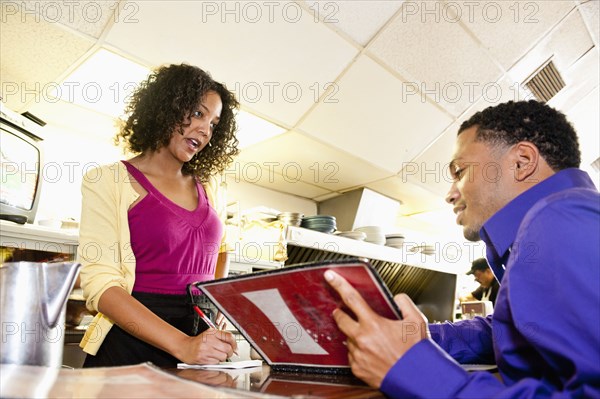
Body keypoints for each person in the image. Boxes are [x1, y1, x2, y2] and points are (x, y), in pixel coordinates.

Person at [324, 100, 600, 398]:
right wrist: (411, 338)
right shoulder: (560, 220)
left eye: (459, 171)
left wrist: (410, 368)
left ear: (521, 161)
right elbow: (513, 332)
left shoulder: (561, 217)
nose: (449, 193)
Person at [78, 64, 239, 367]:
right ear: (168, 106)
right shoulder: (107, 181)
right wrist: (183, 345)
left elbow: (222, 249)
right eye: (198, 113)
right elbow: (101, 285)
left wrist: (217, 307)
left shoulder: (211, 186)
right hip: (132, 341)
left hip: (197, 336)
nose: (205, 131)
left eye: (214, 124)